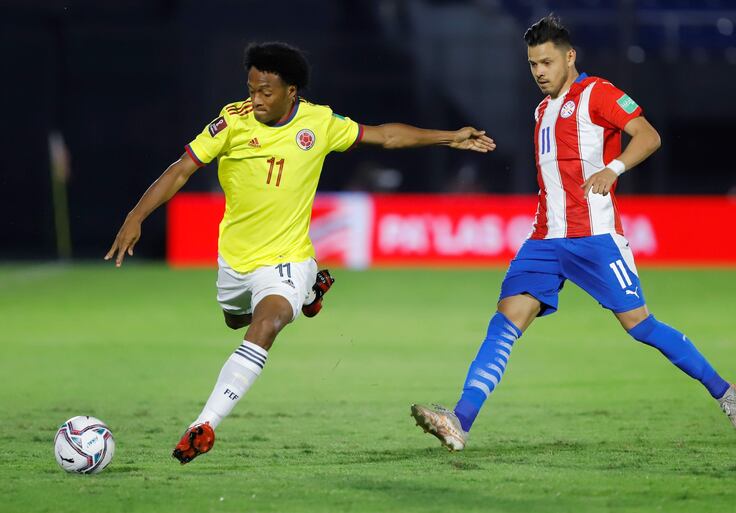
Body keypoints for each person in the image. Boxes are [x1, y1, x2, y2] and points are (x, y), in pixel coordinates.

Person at [105, 41, 496, 464]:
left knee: (268, 322)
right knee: (235, 319)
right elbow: (181, 169)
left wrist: (449, 138)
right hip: (235, 260)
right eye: (251, 89)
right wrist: (136, 215)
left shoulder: (319, 122)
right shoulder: (231, 122)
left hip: (287, 258)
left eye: (265, 92)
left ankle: (205, 424)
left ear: (291, 92)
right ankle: (309, 292)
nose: (255, 100)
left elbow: (385, 136)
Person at [410, 15, 736, 451]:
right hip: (544, 239)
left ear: (569, 57)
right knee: (506, 321)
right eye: (533, 64)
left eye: (547, 62)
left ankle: (725, 392)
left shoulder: (598, 93)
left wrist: (614, 168)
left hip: (595, 237)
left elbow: (648, 136)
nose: (539, 72)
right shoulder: (541, 110)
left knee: (640, 325)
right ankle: (460, 420)